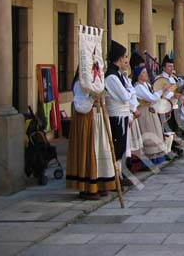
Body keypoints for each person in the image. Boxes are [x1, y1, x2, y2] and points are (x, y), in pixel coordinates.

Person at [66, 69, 116, 200]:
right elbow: (80, 105)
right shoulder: (80, 84)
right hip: (87, 120)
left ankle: (100, 183)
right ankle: (88, 187)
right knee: (89, 152)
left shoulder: (96, 82)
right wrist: (93, 98)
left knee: (100, 152)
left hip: (98, 119)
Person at [104, 40, 134, 186]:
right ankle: (115, 178)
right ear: (120, 58)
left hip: (123, 114)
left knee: (123, 147)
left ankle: (121, 175)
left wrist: (129, 91)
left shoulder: (119, 75)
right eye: (125, 57)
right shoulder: (112, 76)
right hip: (116, 115)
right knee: (117, 147)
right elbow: (125, 96)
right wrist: (130, 91)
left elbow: (129, 93)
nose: (126, 60)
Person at [132, 65, 168, 166]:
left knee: (155, 132)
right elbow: (151, 97)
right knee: (148, 132)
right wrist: (161, 90)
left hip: (150, 111)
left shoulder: (146, 85)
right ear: (138, 75)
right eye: (143, 72)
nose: (146, 74)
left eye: (146, 72)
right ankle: (149, 160)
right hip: (143, 113)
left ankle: (157, 157)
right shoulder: (138, 86)